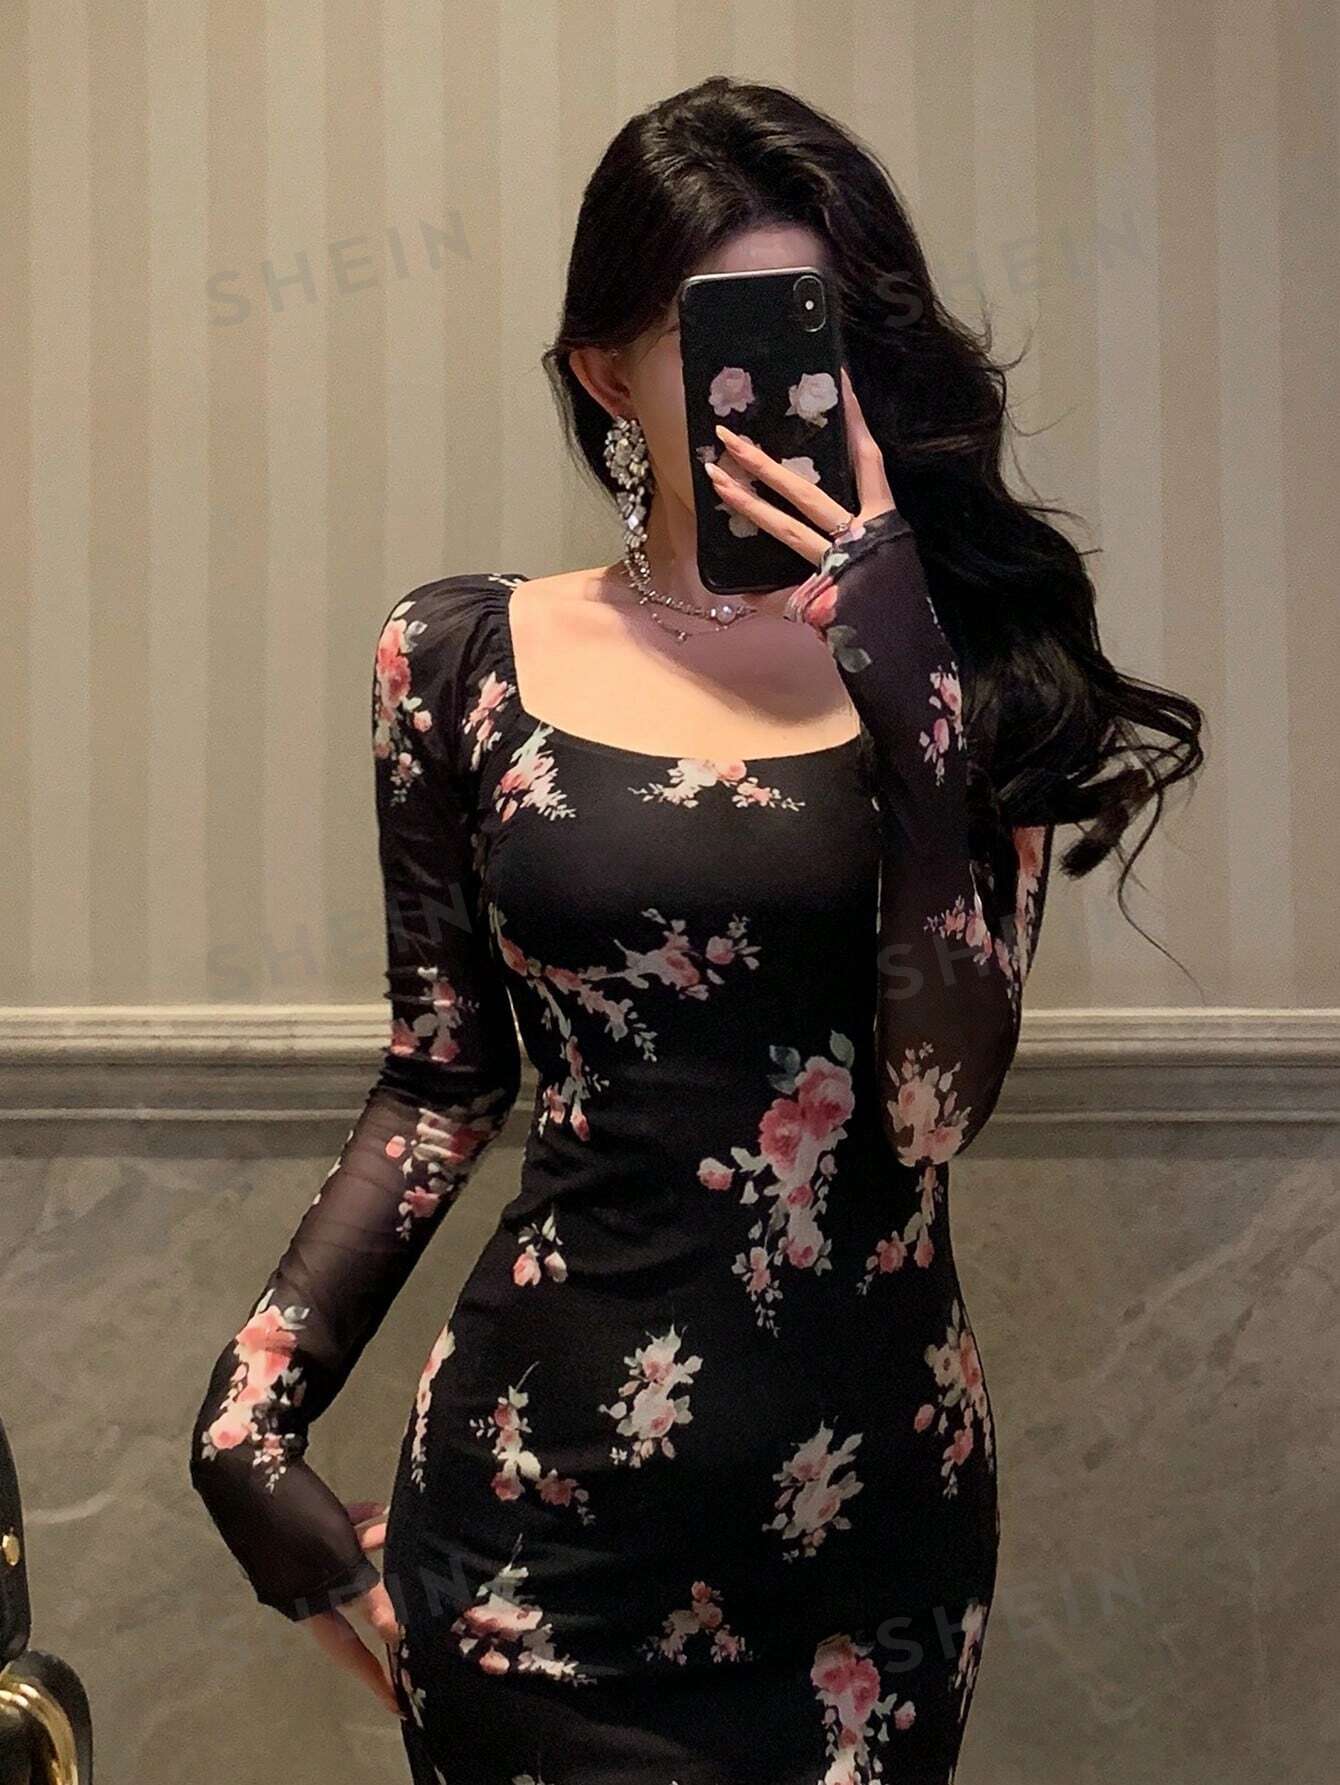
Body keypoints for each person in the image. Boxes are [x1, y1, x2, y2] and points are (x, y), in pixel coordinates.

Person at [188, 76, 1203, 1785]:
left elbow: (933, 1111)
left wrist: (910, 697)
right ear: (608, 373)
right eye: (738, 333)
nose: (802, 385)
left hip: (869, 1557)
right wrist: (248, 1413)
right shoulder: (457, 659)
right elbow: (439, 1079)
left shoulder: (974, 666)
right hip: (532, 1544)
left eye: (833, 325)